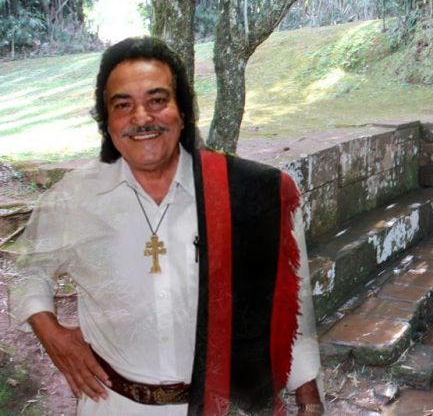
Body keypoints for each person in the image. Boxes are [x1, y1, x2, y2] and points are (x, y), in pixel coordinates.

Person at [9, 37, 324, 415]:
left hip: (220, 406)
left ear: (183, 112)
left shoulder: (243, 194)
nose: (142, 118)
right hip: (111, 405)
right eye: (123, 105)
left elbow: (290, 300)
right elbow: (29, 272)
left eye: (157, 100)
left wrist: (308, 398)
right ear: (107, 121)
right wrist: (51, 333)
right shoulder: (72, 200)